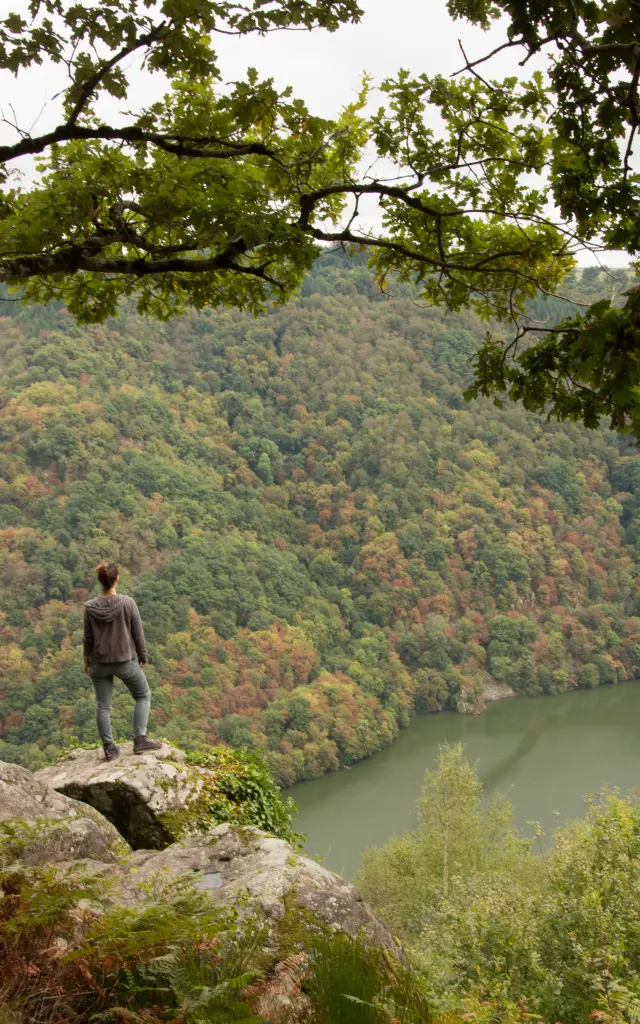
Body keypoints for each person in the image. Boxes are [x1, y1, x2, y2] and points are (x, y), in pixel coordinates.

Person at [84, 560, 162, 761]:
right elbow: (138, 634)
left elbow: (88, 638)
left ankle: (109, 748)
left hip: (99, 663)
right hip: (124, 660)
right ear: (116, 579)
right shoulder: (127, 603)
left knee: (103, 706)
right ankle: (140, 740)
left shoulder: (90, 607)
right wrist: (143, 657)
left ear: (100, 581)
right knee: (143, 695)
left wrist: (86, 661)